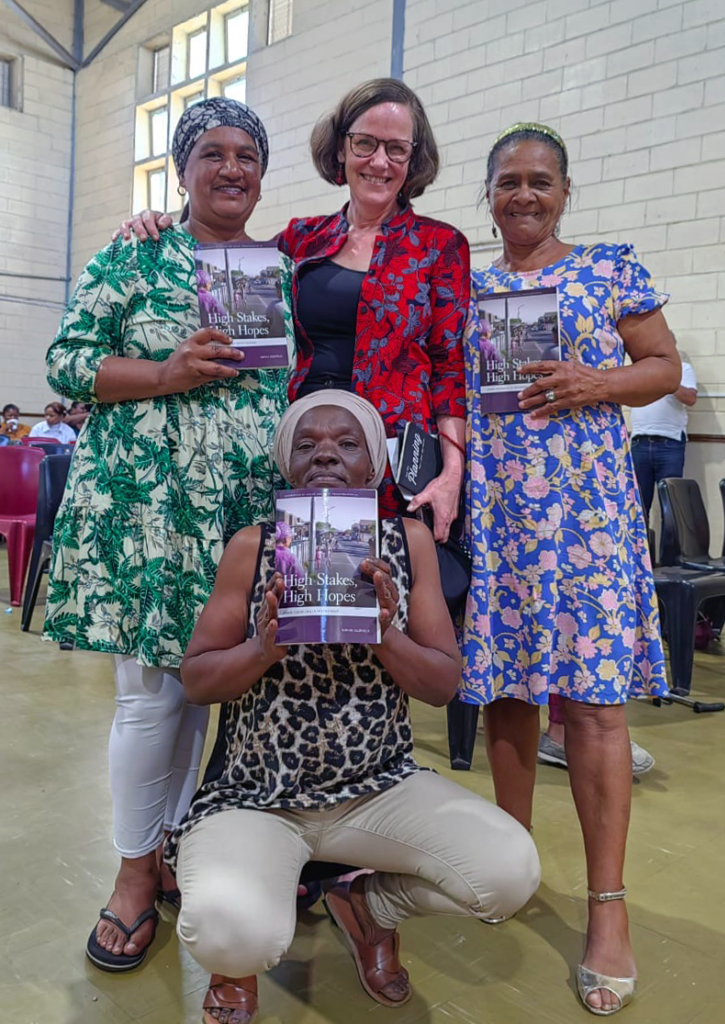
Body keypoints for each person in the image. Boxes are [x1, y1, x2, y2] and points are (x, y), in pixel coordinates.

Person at [167, 390, 540, 1023]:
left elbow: (442, 684)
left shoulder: (409, 540)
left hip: (378, 786)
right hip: (260, 792)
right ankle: (236, 964)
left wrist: (385, 634)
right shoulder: (254, 545)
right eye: (307, 444)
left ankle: (369, 907)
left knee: (508, 873)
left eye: (347, 444)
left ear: (375, 467)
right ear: (287, 465)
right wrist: (263, 647)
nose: (326, 456)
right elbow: (197, 679)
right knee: (232, 929)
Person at [44, 98, 287, 973]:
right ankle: (133, 874)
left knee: (202, 694)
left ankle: (174, 841)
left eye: (246, 157)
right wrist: (164, 371)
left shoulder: (274, 270)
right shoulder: (136, 250)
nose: (231, 169)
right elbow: (68, 361)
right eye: (212, 154)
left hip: (237, 515)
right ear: (181, 171)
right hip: (148, 511)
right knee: (151, 700)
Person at [460, 123, 681, 1016]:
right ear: (487, 194)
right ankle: (510, 866)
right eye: (507, 181)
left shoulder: (608, 268)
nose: (523, 194)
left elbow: (661, 365)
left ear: (564, 190)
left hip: (586, 518)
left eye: (539, 181)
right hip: (502, 517)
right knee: (509, 696)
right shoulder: (466, 285)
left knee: (592, 707)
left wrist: (598, 382)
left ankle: (606, 910)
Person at [115, 78, 470, 544]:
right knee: (297, 598)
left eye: (397, 149)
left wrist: (452, 475)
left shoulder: (440, 246)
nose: (379, 161)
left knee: (386, 598)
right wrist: (162, 222)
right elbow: (221, 251)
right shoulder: (300, 239)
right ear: (341, 149)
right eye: (365, 143)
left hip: (393, 463)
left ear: (413, 158)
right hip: (297, 453)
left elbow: (449, 369)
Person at [630, 350, 697, 521]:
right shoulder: (637, 370)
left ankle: (671, 549)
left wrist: (669, 380)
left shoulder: (683, 369)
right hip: (639, 443)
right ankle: (641, 548)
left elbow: (690, 398)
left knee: (672, 506)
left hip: (670, 443)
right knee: (638, 508)